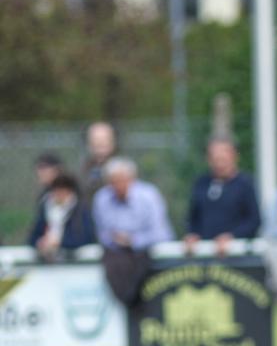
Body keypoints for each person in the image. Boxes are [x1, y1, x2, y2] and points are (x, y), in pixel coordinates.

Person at [93, 157, 174, 305]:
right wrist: (115, 240)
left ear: (132, 179)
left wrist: (134, 240)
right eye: (113, 181)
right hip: (117, 256)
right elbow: (102, 234)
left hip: (147, 257)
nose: (118, 186)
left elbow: (163, 234)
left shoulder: (149, 196)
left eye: (122, 180)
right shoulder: (102, 198)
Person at [184, 138, 261, 256]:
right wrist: (193, 234)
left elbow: (254, 221)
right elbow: (192, 218)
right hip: (204, 256)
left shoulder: (245, 184)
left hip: (237, 258)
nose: (219, 163)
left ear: (234, 156)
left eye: (223, 158)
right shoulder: (201, 183)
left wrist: (232, 237)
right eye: (215, 158)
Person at [27, 173, 95, 261]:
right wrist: (39, 242)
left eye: (63, 191)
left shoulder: (80, 211)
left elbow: (85, 238)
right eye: (56, 190)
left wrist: (60, 242)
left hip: (72, 260)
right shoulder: (45, 208)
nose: (59, 194)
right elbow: (33, 236)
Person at [81, 121, 118, 204]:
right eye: (95, 139)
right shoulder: (83, 168)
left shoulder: (121, 168)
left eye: (104, 139)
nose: (99, 143)